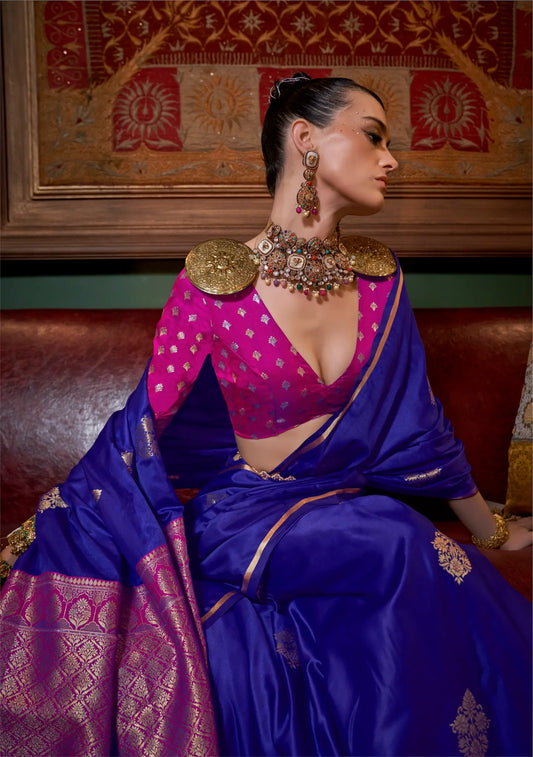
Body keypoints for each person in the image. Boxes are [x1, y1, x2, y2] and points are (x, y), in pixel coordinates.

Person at [1, 73, 531, 757]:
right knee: (396, 535)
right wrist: (58, 524)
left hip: (344, 514)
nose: (391, 159)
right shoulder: (215, 286)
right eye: (373, 137)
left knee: (392, 542)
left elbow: (416, 426)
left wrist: (491, 532)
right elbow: (142, 428)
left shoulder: (381, 282)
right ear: (305, 138)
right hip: (247, 517)